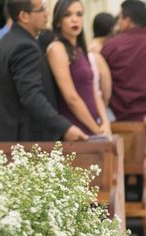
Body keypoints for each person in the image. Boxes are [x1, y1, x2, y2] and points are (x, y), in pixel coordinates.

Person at [102, 0, 146, 188]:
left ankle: (121, 213)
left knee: (119, 179)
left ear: (126, 20)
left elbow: (103, 87)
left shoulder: (111, 47)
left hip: (119, 125)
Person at [0, 0, 86, 142]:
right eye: (41, 9)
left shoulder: (7, 40)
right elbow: (32, 96)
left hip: (11, 138)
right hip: (27, 141)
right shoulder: (24, 47)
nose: (47, 13)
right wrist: (64, 127)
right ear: (24, 16)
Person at [47, 0, 110, 136]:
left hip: (95, 125)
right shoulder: (57, 49)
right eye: (68, 15)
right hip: (77, 130)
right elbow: (71, 98)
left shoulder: (80, 50)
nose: (75, 19)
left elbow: (92, 89)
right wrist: (96, 130)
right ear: (58, 21)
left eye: (79, 14)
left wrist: (105, 122)